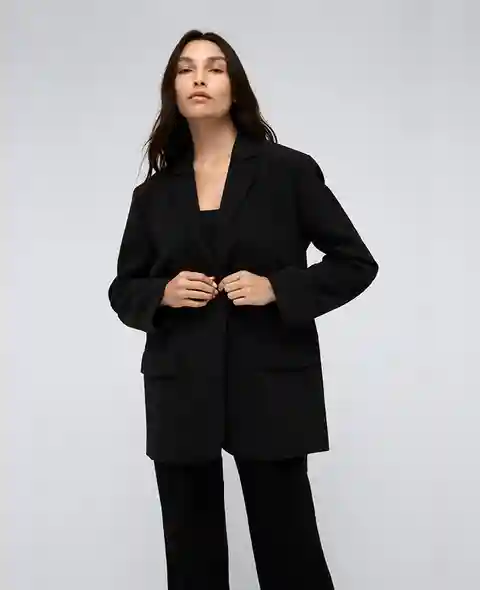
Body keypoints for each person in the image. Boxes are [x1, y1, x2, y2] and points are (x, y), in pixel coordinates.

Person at [107, 28, 379, 590]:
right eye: (186, 69)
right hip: (181, 385)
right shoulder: (152, 195)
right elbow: (123, 288)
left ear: (235, 86)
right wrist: (161, 293)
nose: (200, 78)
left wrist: (278, 287)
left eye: (215, 67)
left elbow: (356, 263)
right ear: (172, 89)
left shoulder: (288, 171)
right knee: (190, 556)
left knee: (290, 552)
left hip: (270, 380)